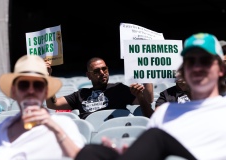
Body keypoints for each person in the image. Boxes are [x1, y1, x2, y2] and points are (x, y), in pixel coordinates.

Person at [74, 32, 226, 160]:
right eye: (190, 61)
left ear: (221, 69)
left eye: (205, 61)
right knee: (90, 152)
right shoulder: (165, 113)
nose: (197, 67)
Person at [0, 55, 86, 159]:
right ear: (14, 91)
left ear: (46, 92)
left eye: (38, 85)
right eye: (23, 85)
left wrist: (56, 129)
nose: (31, 91)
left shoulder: (64, 125)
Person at [46, 57, 154, 119]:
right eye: (97, 71)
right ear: (89, 75)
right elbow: (52, 104)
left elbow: (148, 99)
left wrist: (145, 73)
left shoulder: (119, 89)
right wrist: (47, 77)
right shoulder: (80, 94)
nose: (102, 73)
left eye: (104, 69)